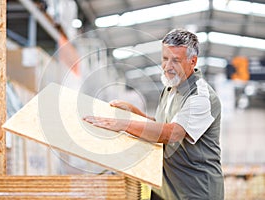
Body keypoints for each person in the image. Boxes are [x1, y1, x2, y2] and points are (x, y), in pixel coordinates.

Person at [84, 28, 224, 200]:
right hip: (166, 190)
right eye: (165, 59)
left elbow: (171, 133)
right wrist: (134, 113)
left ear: (192, 61)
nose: (167, 67)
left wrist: (124, 125)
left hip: (195, 192)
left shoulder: (201, 97)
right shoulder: (171, 88)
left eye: (176, 61)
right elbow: (159, 125)